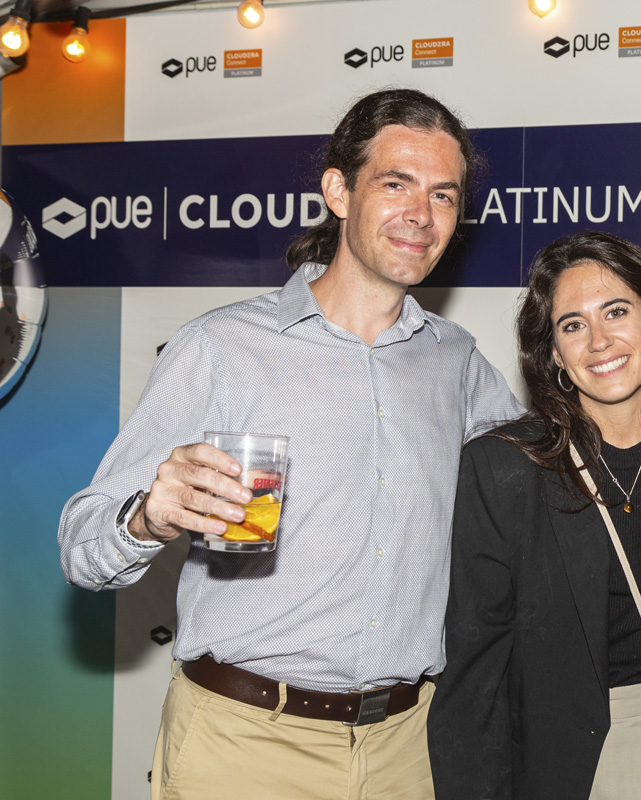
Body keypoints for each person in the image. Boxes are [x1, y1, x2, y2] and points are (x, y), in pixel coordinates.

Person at [57, 88, 523, 800]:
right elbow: (82, 545)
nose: (420, 215)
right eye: (395, 184)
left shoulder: (454, 360)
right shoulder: (222, 347)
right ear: (339, 191)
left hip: (408, 749)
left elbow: (549, 465)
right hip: (244, 745)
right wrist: (146, 516)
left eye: (443, 196)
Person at [428, 231, 641, 800]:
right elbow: (473, 673)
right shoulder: (503, 469)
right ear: (555, 354)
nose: (599, 340)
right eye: (573, 325)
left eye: (617, 312)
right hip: (561, 758)